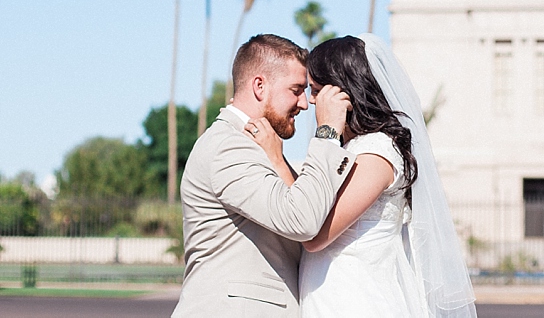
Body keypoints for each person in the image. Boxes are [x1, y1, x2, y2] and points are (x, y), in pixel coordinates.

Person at [250, 33, 476, 317]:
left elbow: (314, 234)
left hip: (358, 301)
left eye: (318, 91)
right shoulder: (348, 149)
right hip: (329, 298)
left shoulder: (378, 152)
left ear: (346, 93)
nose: (310, 101)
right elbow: (308, 205)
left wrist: (279, 158)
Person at [173, 34, 356, 317]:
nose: (305, 103)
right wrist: (328, 133)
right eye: (296, 90)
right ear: (260, 86)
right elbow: (302, 220)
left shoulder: (260, 145)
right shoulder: (228, 145)